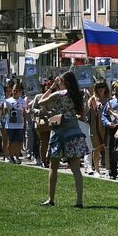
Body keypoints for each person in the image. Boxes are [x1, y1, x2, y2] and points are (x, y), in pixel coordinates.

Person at [36, 72, 87, 208]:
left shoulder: (59, 93)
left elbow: (40, 101)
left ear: (64, 82)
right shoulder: (77, 95)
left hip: (59, 132)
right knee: (76, 169)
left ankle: (51, 199)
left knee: (53, 167)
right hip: (74, 131)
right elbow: (81, 115)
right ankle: (79, 201)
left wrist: (52, 87)